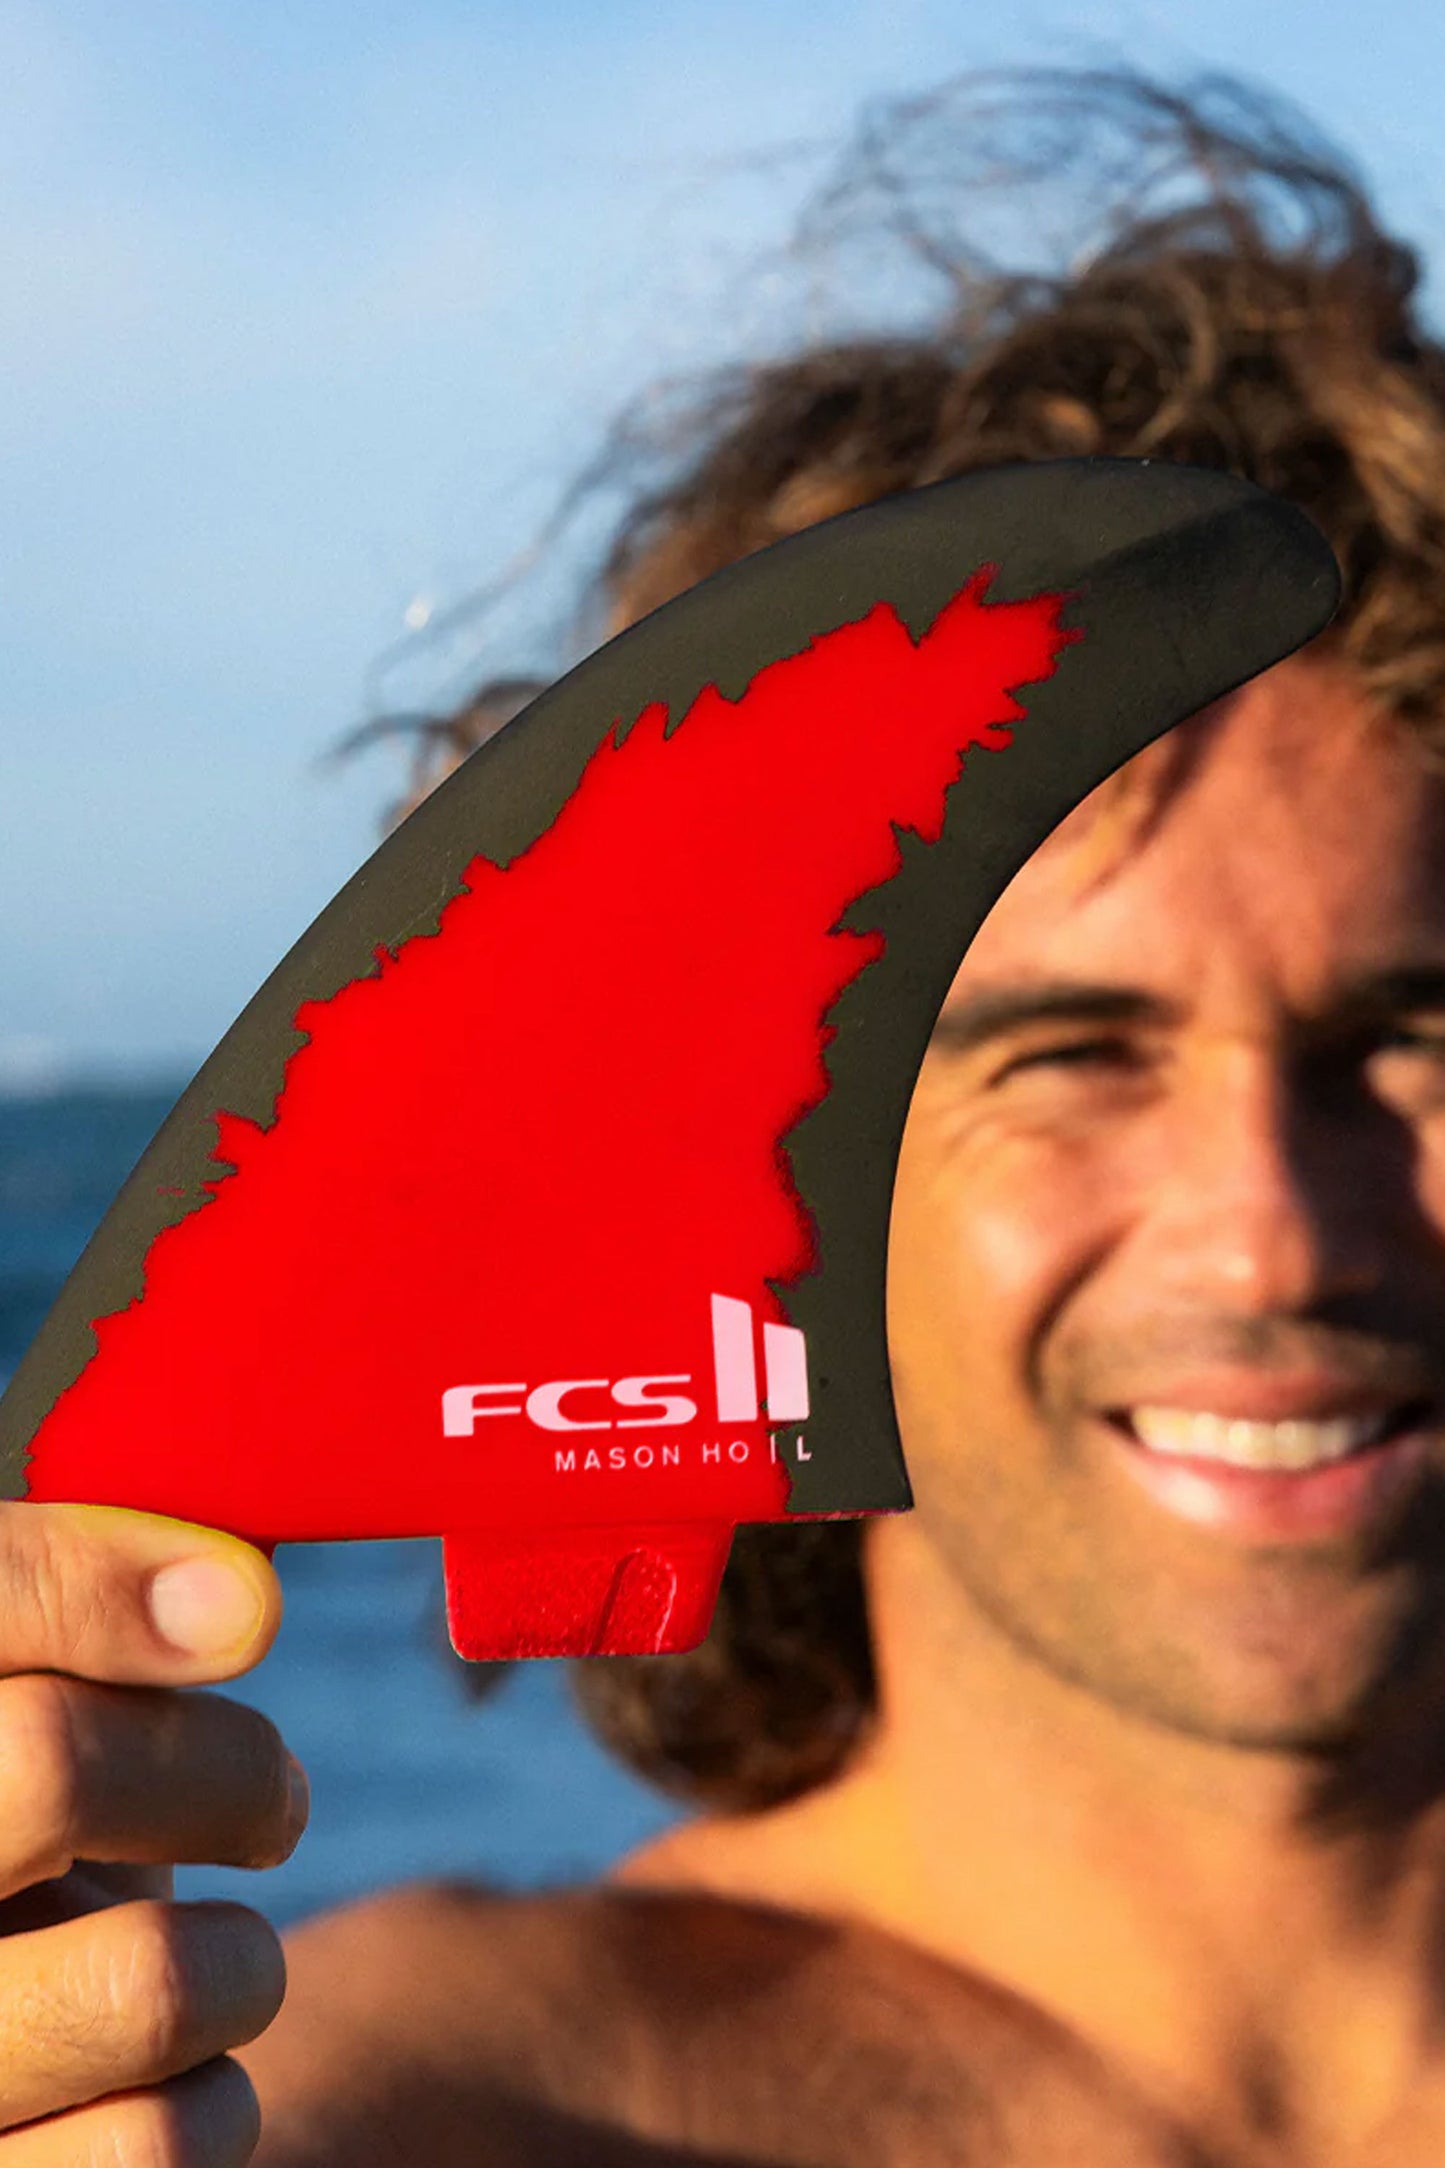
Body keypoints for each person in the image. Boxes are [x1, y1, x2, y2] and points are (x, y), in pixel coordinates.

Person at [6, 66, 1445, 2166]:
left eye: (1416, 1036)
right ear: (724, 1172)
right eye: (1069, 1052)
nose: (1276, 1228)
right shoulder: (408, 2117)